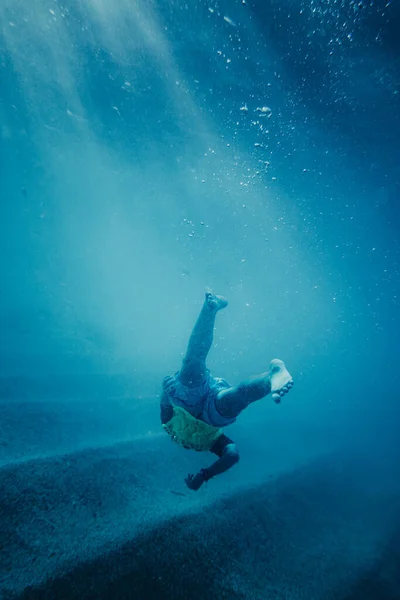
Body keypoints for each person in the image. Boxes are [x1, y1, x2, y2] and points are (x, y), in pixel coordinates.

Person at [160, 292, 294, 491]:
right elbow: (232, 454)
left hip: (191, 402)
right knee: (233, 394)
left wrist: (167, 387)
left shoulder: (169, 424)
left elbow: (164, 402)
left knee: (198, 367)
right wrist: (205, 475)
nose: (185, 444)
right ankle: (271, 377)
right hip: (207, 412)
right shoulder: (209, 443)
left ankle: (211, 306)